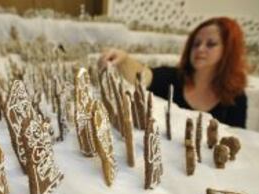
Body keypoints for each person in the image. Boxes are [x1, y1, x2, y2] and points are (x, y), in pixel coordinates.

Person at [98, 17, 248, 128]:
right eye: (196, 44)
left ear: (228, 50)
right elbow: (144, 76)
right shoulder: (173, 78)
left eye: (211, 44)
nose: (200, 49)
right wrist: (123, 60)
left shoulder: (236, 98)